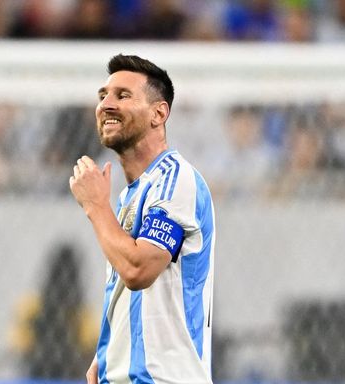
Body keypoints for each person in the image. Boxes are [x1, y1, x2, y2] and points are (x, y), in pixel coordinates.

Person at [69, 54, 216, 384]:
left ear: (158, 113)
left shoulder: (176, 180)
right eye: (103, 95)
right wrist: (108, 356)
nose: (106, 104)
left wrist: (95, 206)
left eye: (122, 96)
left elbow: (139, 270)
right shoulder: (130, 197)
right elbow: (132, 285)